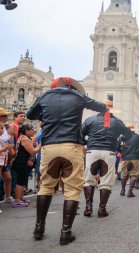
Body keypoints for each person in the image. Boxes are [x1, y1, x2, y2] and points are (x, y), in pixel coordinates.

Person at [27, 77, 108, 245]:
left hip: (49, 147)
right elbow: (102, 107)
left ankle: (38, 228)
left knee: (46, 186)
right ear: (71, 87)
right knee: (71, 189)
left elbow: (30, 114)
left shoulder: (45, 96)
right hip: (72, 146)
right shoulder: (78, 96)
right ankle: (65, 233)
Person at [81, 100, 131, 218]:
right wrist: (118, 138)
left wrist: (87, 142)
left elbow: (80, 134)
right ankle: (101, 209)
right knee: (106, 182)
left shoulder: (90, 120)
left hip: (92, 151)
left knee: (89, 180)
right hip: (109, 152)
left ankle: (88, 207)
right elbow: (128, 136)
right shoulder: (117, 122)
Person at [11, 124, 40, 208]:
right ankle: (17, 200)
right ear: (26, 131)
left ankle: (20, 198)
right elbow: (33, 151)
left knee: (22, 181)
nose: (33, 131)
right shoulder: (24, 139)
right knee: (20, 181)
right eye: (31, 130)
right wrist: (40, 145)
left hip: (23, 163)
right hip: (22, 163)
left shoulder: (24, 138)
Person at [118, 124, 139, 197]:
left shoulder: (122, 137)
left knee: (124, 175)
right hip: (135, 158)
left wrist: (122, 152)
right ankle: (130, 192)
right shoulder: (137, 136)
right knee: (134, 174)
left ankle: (122, 190)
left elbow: (117, 147)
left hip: (125, 158)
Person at [0, 109, 15, 205]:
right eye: (4, 115)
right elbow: (4, 139)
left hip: (3, 158)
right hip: (1, 156)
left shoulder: (3, 127)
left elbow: (4, 139)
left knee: (8, 178)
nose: (6, 117)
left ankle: (8, 197)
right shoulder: (3, 127)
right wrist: (10, 135)